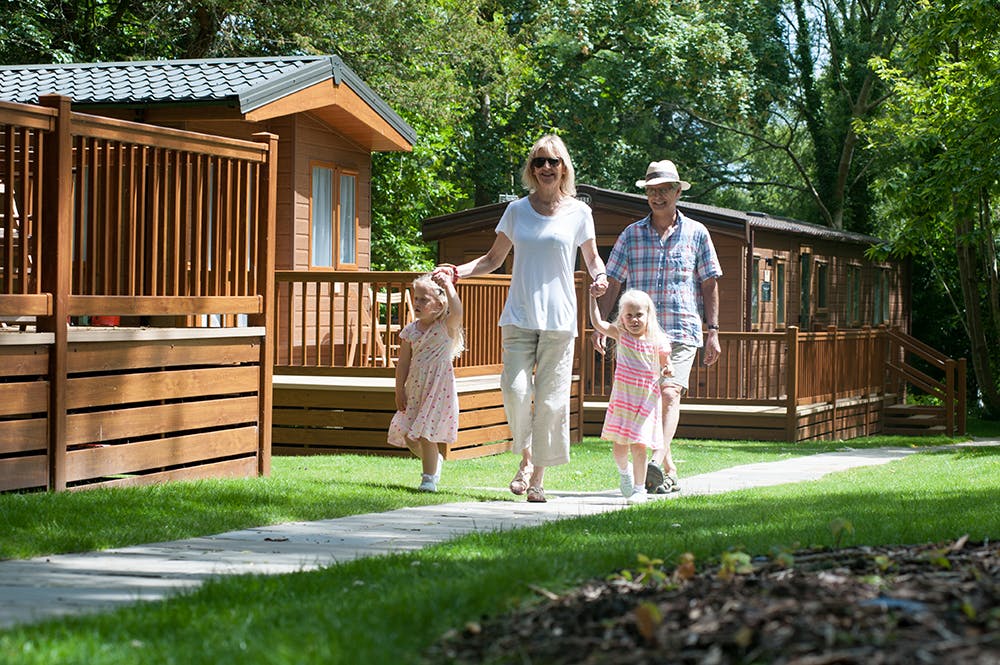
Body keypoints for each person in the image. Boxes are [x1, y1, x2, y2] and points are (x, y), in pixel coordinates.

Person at [435, 134, 608, 503]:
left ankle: (537, 477)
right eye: (539, 162)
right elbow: (492, 259)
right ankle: (527, 457)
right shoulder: (516, 210)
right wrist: (457, 273)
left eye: (554, 162)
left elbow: (592, 259)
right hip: (519, 316)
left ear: (564, 168)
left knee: (550, 401)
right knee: (514, 391)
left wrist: (600, 277)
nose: (546, 167)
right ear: (531, 169)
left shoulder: (580, 213)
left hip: (560, 319)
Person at [596, 159, 722, 494]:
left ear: (678, 192)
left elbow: (710, 283)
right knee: (644, 402)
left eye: (665, 189)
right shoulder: (631, 235)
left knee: (669, 393)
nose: (658, 196)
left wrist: (714, 331)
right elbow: (612, 280)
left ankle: (657, 458)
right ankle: (667, 467)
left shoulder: (697, 233)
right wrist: (601, 326)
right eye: (652, 190)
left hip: (682, 331)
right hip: (639, 337)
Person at [588, 289, 672, 503]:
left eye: (639, 315)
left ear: (648, 315)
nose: (634, 320)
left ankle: (639, 489)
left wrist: (667, 369)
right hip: (624, 399)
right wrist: (592, 299)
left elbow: (665, 363)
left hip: (646, 400)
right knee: (619, 445)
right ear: (622, 318)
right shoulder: (621, 334)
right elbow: (598, 324)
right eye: (629, 316)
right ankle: (625, 472)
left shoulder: (657, 339)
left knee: (639, 444)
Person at [387, 272, 464, 492]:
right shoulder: (411, 331)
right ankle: (434, 461)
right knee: (410, 436)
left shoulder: (445, 327)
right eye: (416, 298)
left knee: (426, 433)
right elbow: (402, 364)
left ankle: (428, 479)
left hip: (438, 388)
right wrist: (399, 390)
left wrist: (448, 286)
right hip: (416, 387)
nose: (417, 303)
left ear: (439, 305)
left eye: (424, 299)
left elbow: (457, 310)